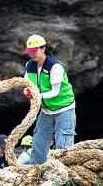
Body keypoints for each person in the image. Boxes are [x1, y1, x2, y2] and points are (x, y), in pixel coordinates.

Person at [23, 34, 76, 165]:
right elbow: (27, 84)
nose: (32, 55)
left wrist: (37, 96)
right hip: (46, 110)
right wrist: (27, 91)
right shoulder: (29, 65)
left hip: (64, 109)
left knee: (63, 147)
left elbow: (55, 92)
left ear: (43, 49)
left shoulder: (55, 66)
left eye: (34, 51)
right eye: (30, 52)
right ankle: (34, 172)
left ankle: (63, 175)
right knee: (38, 142)